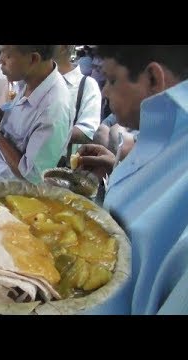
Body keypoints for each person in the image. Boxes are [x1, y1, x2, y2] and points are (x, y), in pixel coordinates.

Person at [77, 45, 188, 314]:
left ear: (152, 78)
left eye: (112, 79)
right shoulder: (164, 132)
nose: (104, 91)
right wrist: (116, 167)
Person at [0, 45, 71, 185]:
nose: (0, 60)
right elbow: (16, 132)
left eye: (7, 55)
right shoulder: (27, 82)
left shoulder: (54, 109)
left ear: (33, 59)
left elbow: (31, 174)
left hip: (14, 199)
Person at [54, 45, 102, 159]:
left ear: (63, 47)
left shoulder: (87, 84)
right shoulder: (33, 82)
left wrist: (41, 132)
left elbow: (87, 132)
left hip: (62, 168)